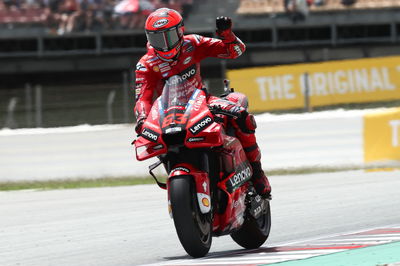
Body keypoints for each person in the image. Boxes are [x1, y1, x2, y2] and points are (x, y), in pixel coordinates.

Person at [133, 8, 271, 198]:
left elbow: (235, 51)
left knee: (242, 116)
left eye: (169, 36)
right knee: (152, 140)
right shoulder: (146, 64)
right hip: (167, 114)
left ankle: (257, 173)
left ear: (181, 31)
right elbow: (143, 98)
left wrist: (227, 35)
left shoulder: (193, 43)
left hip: (202, 101)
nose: (164, 44)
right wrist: (142, 119)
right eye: (158, 38)